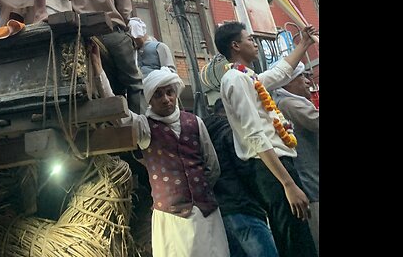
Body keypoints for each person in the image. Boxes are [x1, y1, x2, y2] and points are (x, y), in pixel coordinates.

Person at [212, 22, 319, 257]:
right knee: (293, 240)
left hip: (277, 168)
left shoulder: (248, 77)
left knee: (298, 235)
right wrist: (287, 183)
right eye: (250, 39)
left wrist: (303, 43)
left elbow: (280, 72)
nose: (255, 42)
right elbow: (254, 134)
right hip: (270, 170)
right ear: (235, 45)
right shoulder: (235, 79)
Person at [127, 68, 230, 257]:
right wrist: (99, 70)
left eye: (169, 92)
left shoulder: (195, 122)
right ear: (150, 100)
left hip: (206, 212)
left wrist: (199, 190)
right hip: (171, 216)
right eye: (158, 95)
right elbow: (121, 116)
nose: (166, 99)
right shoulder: (144, 127)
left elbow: (212, 165)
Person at [202, 56, 280, 257]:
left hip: (222, 210)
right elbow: (245, 169)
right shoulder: (231, 133)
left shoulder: (205, 135)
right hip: (244, 206)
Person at [71, 0, 145, 115]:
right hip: (114, 34)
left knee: (106, 84)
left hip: (89, 39)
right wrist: (127, 25)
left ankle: (115, 123)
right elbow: (124, 5)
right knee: (134, 83)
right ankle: (138, 125)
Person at [274, 65, 319, 252]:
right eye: (302, 77)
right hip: (312, 185)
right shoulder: (289, 104)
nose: (308, 81)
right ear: (288, 82)